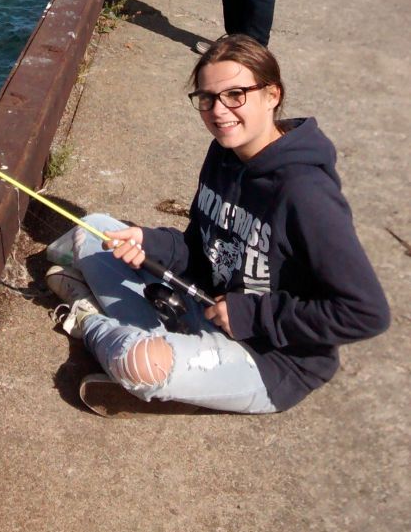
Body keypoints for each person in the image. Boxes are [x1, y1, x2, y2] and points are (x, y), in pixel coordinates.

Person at [45, 34, 390, 417]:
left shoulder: (306, 193)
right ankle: (157, 354)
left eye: (235, 95)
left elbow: (365, 312)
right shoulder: (224, 153)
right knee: (95, 228)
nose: (219, 111)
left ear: (272, 94)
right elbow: (200, 247)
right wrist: (148, 242)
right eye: (207, 98)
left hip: (269, 358)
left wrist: (251, 315)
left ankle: (89, 320)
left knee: (138, 363)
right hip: (200, 305)